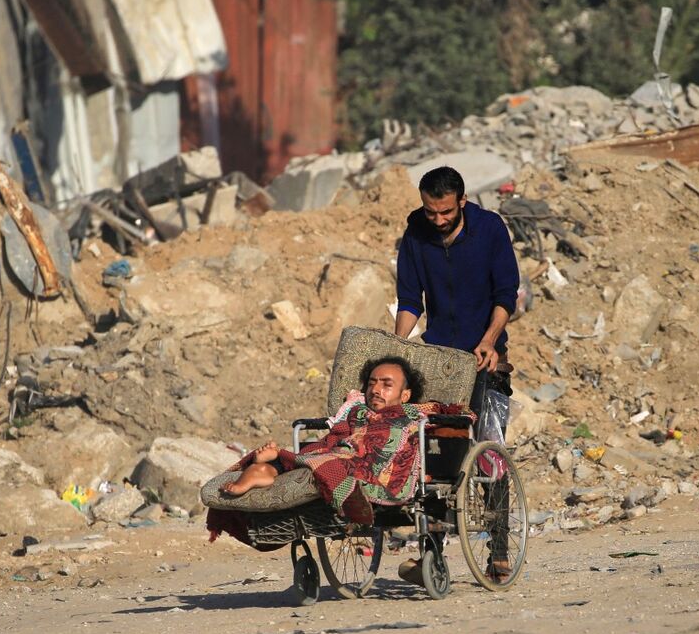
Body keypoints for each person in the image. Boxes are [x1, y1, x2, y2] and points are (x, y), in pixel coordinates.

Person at [393, 165, 519, 581]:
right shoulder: (416, 233)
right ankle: (433, 554)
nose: (438, 220)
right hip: (440, 359)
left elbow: (506, 294)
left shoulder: (489, 229)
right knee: (436, 458)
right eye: (431, 212)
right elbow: (410, 298)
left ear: (462, 202)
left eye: (446, 212)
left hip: (484, 357)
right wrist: (396, 348)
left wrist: (489, 340)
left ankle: (499, 551)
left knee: (489, 452)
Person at [220, 357, 420, 497]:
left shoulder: (410, 417)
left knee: (333, 463)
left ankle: (278, 467)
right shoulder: (356, 411)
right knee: (320, 453)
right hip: (337, 450)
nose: (375, 390)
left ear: (405, 395)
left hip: (362, 461)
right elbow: (337, 435)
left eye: (386, 385)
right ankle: (266, 470)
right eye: (371, 383)